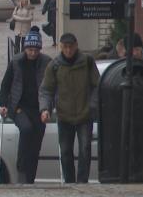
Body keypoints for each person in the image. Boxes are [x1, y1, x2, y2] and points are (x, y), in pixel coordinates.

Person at [39, 33, 100, 183]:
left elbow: (96, 86)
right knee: (66, 152)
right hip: (64, 115)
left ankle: (82, 182)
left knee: (85, 150)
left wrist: (92, 105)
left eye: (71, 47)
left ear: (76, 45)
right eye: (65, 47)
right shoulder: (54, 65)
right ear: (61, 47)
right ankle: (69, 182)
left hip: (84, 115)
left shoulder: (87, 62)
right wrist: (45, 109)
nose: (68, 50)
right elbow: (46, 90)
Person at [0, 27, 52, 183]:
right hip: (19, 106)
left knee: (36, 143)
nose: (33, 53)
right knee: (26, 129)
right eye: (30, 49)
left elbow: (51, 87)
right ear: (25, 48)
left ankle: (30, 178)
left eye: (35, 49)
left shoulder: (46, 62)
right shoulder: (16, 61)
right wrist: (4, 105)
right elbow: (5, 85)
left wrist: (48, 108)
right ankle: (21, 169)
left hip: (39, 108)